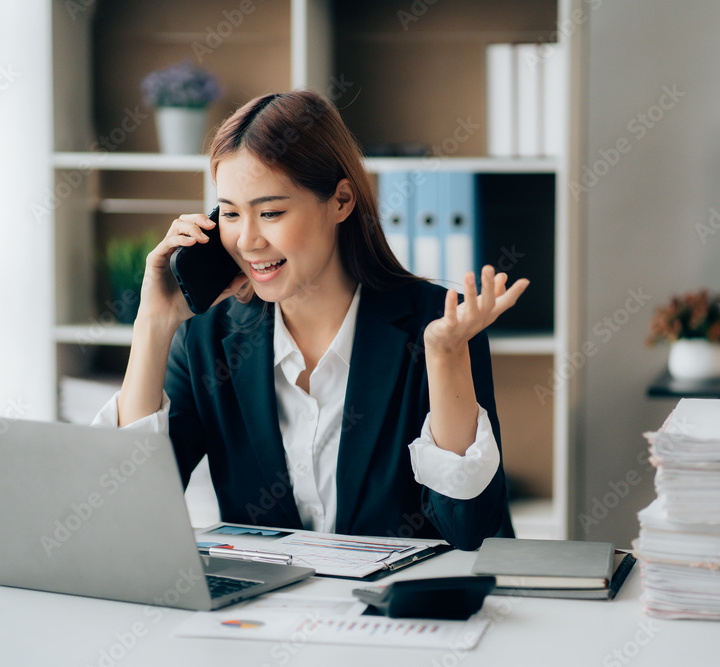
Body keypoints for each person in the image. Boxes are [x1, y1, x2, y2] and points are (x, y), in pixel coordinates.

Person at [93, 90, 529, 550]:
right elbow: (126, 517)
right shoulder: (207, 338)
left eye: (270, 212)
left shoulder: (440, 328)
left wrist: (444, 359)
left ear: (341, 201)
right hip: (262, 616)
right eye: (232, 214)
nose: (247, 240)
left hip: (397, 614)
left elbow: (471, 532)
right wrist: (153, 325)